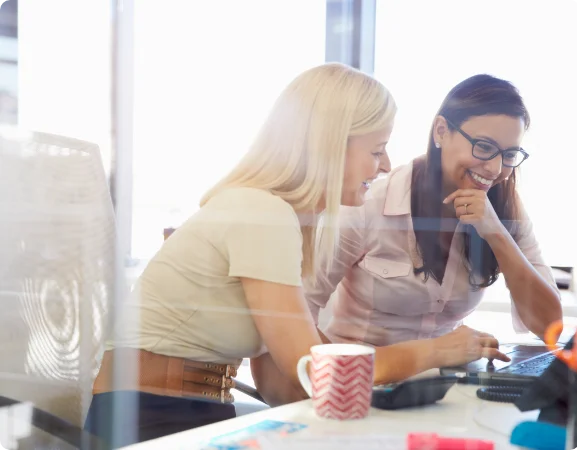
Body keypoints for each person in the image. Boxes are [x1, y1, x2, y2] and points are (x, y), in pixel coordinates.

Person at [84, 63, 398, 447]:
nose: (385, 166)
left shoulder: (276, 217)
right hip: (150, 420)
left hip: (189, 413)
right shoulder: (262, 213)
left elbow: (282, 383)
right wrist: (433, 355)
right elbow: (315, 369)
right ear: (332, 146)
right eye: (377, 150)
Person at [305, 74, 562, 374]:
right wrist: (339, 379)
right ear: (441, 131)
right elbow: (298, 316)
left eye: (509, 155)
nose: (494, 168)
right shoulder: (371, 203)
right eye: (483, 146)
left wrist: (496, 233)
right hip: (364, 383)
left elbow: (549, 327)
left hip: (441, 391)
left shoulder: (506, 208)